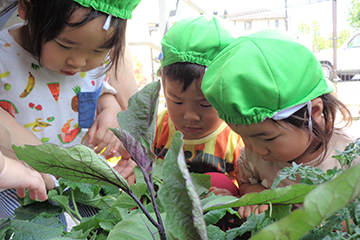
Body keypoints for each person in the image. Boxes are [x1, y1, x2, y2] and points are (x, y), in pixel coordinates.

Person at [0, 0, 141, 219]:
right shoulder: (3, 55)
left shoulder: (90, 64)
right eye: (65, 45)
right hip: (18, 182)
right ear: (26, 7)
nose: (78, 62)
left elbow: (98, 92)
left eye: (98, 50)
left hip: (78, 182)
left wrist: (110, 111)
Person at [201, 29, 360, 218]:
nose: (255, 149)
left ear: (314, 113)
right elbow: (246, 184)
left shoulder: (349, 159)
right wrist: (256, 195)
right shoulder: (253, 158)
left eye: (266, 138)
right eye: (243, 136)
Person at [154, 15, 244, 197]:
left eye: (205, 104)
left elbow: (249, 187)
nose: (190, 116)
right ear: (163, 84)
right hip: (164, 208)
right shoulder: (155, 127)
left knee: (218, 181)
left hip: (211, 215)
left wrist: (233, 198)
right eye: (177, 101)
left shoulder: (236, 139)